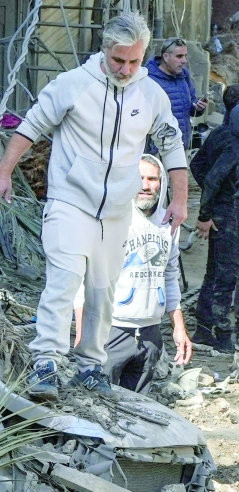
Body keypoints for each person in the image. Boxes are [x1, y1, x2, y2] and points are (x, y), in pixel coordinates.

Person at [0, 12, 189, 402]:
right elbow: (30, 126)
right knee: (64, 280)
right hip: (70, 200)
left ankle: (90, 366)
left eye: (134, 61)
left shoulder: (151, 94)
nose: (126, 69)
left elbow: (172, 145)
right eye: (119, 60)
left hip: (117, 210)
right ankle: (45, 359)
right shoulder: (73, 85)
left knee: (103, 290)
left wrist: (179, 199)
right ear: (104, 50)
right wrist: (3, 173)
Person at [72, 155, 192, 394]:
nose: (145, 186)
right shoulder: (110, 220)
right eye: (139, 179)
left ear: (162, 183)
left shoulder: (170, 224)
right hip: (110, 331)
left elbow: (170, 275)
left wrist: (179, 327)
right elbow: (83, 278)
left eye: (152, 179)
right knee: (98, 407)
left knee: (138, 408)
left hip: (150, 335)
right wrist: (82, 331)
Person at [190, 100, 239, 352]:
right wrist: (205, 213)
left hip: (223, 210)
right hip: (228, 214)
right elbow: (212, 177)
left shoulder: (221, 133)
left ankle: (203, 328)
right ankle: (222, 334)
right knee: (226, 276)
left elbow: (197, 165)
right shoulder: (234, 146)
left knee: (214, 271)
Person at [145, 38, 208, 148]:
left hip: (182, 145)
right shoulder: (149, 80)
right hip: (158, 150)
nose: (184, 61)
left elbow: (191, 106)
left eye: (185, 56)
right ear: (166, 57)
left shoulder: (184, 75)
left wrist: (198, 108)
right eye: (179, 56)